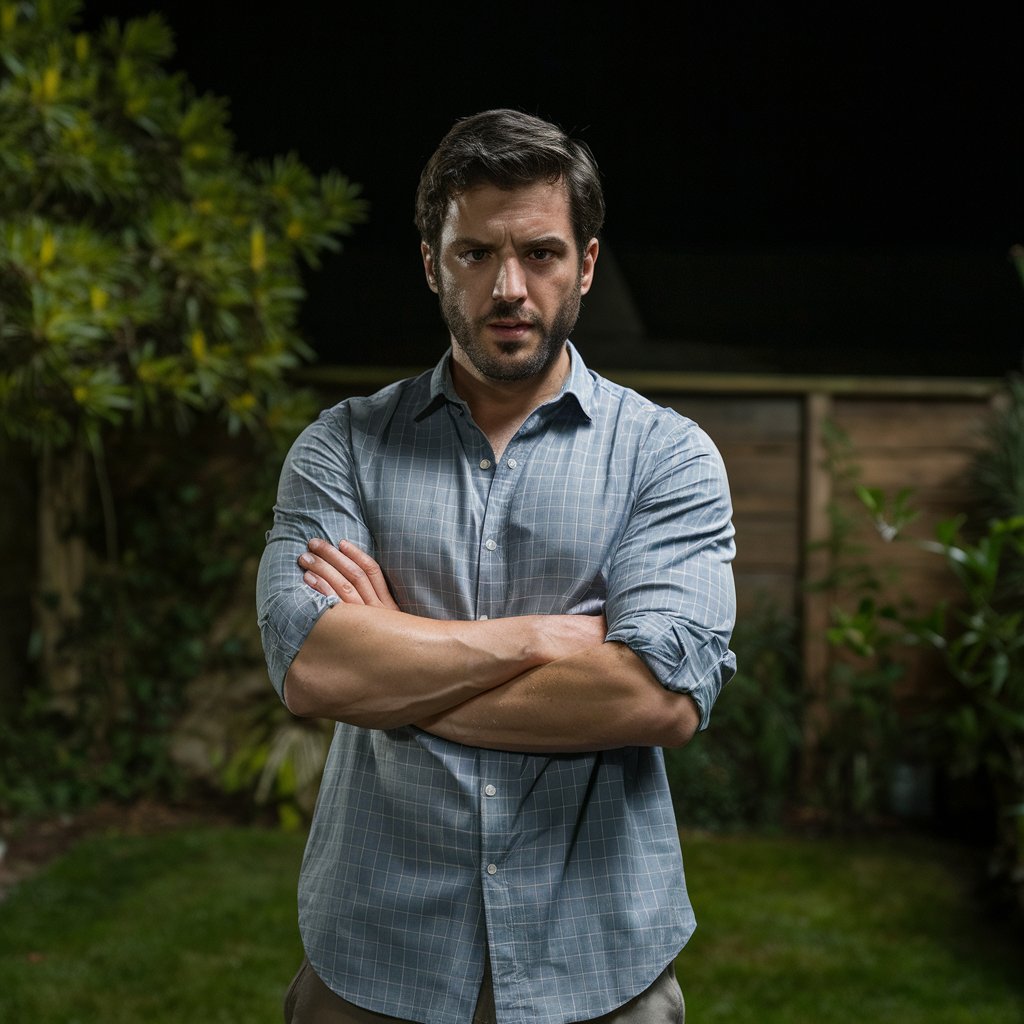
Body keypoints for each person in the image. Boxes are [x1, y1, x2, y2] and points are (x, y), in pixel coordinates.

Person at [256, 107, 737, 1024]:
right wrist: (542, 640)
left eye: (542, 253)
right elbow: (314, 669)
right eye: (475, 253)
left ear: (586, 265)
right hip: (375, 958)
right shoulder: (341, 450)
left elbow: (654, 699)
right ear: (433, 263)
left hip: (598, 960)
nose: (509, 286)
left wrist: (395, 654)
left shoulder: (666, 458)